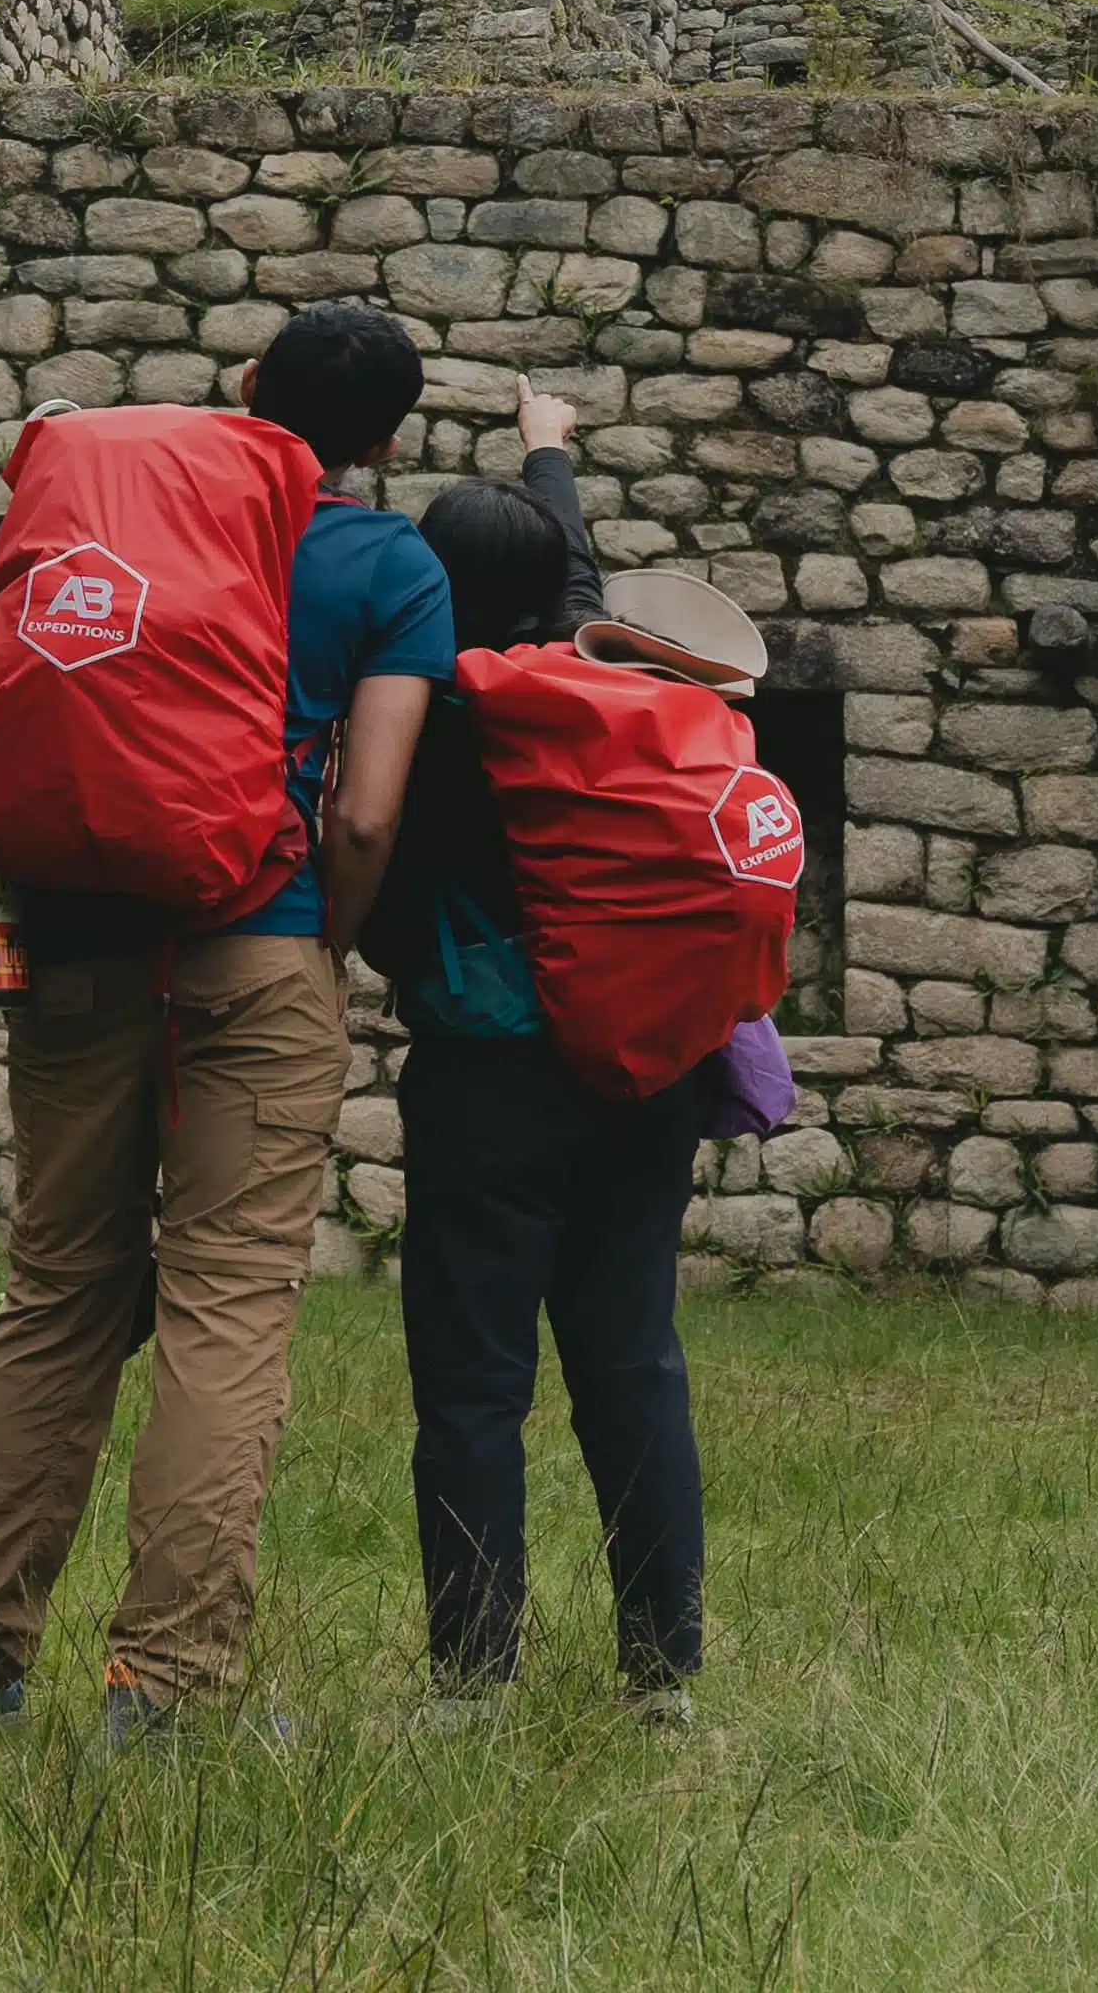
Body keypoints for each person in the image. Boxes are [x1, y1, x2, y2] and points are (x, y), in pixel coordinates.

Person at [0, 303, 451, 1747]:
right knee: (226, 1309)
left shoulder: (115, 513)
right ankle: (162, 1686)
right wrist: (318, 945)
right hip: (261, 947)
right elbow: (369, 814)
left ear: (249, 385)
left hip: (82, 944)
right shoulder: (388, 562)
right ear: (387, 443)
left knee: (57, 1291)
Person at [365, 473, 747, 1730]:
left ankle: (473, 1678)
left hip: (490, 1082)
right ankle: (661, 1674)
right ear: (555, 596)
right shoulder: (621, 689)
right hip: (648, 1070)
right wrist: (550, 463)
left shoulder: (436, 718)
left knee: (474, 1382)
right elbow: (572, 581)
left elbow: (393, 905)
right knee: (632, 1362)